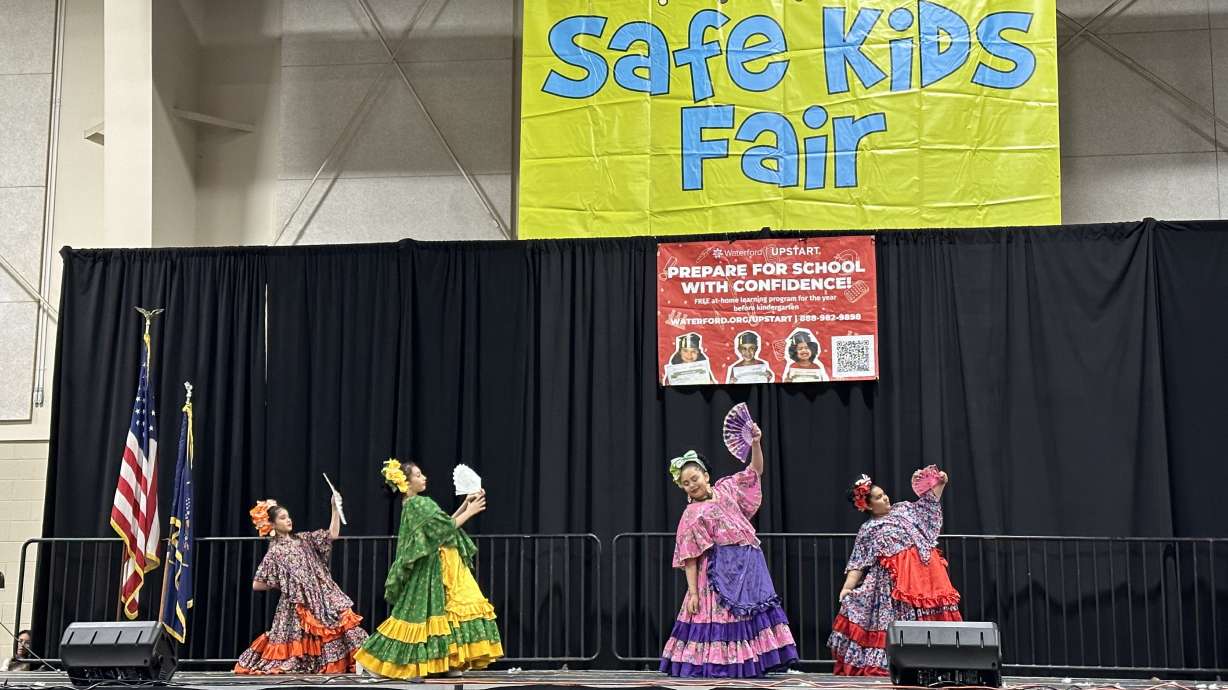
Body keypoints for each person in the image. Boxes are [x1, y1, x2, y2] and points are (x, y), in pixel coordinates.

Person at [659, 426, 798, 677]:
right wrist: (692, 593)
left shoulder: (727, 488)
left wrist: (756, 443)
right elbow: (689, 557)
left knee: (751, 613)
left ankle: (758, 661)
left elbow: (755, 471)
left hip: (748, 565)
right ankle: (721, 664)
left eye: (694, 478)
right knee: (725, 616)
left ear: (705, 475)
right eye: (685, 483)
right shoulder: (691, 515)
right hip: (717, 573)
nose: (691, 485)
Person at [355, 460, 503, 679]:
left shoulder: (414, 505)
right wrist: (470, 511)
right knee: (415, 614)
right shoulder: (418, 504)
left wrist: (465, 504)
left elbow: (442, 525)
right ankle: (372, 660)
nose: (424, 478)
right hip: (430, 567)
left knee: (439, 614)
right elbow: (446, 527)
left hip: (438, 565)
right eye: (418, 475)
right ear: (406, 483)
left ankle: (444, 662)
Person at [827, 471, 961, 676]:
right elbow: (858, 561)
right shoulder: (868, 529)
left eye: (884, 494)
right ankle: (907, 662)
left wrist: (940, 483)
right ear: (868, 505)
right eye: (879, 497)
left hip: (925, 575)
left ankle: (939, 660)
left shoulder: (904, 509)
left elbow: (929, 504)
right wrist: (847, 588)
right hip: (894, 587)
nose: (886, 498)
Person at [235, 496, 368, 674]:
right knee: (305, 640)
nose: (288, 520)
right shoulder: (276, 552)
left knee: (345, 623)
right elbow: (257, 584)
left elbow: (332, 535)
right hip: (299, 603)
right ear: (272, 524)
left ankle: (362, 660)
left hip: (324, 595)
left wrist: (334, 509)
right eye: (282, 518)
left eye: (288, 516)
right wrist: (288, 585)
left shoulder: (305, 539)